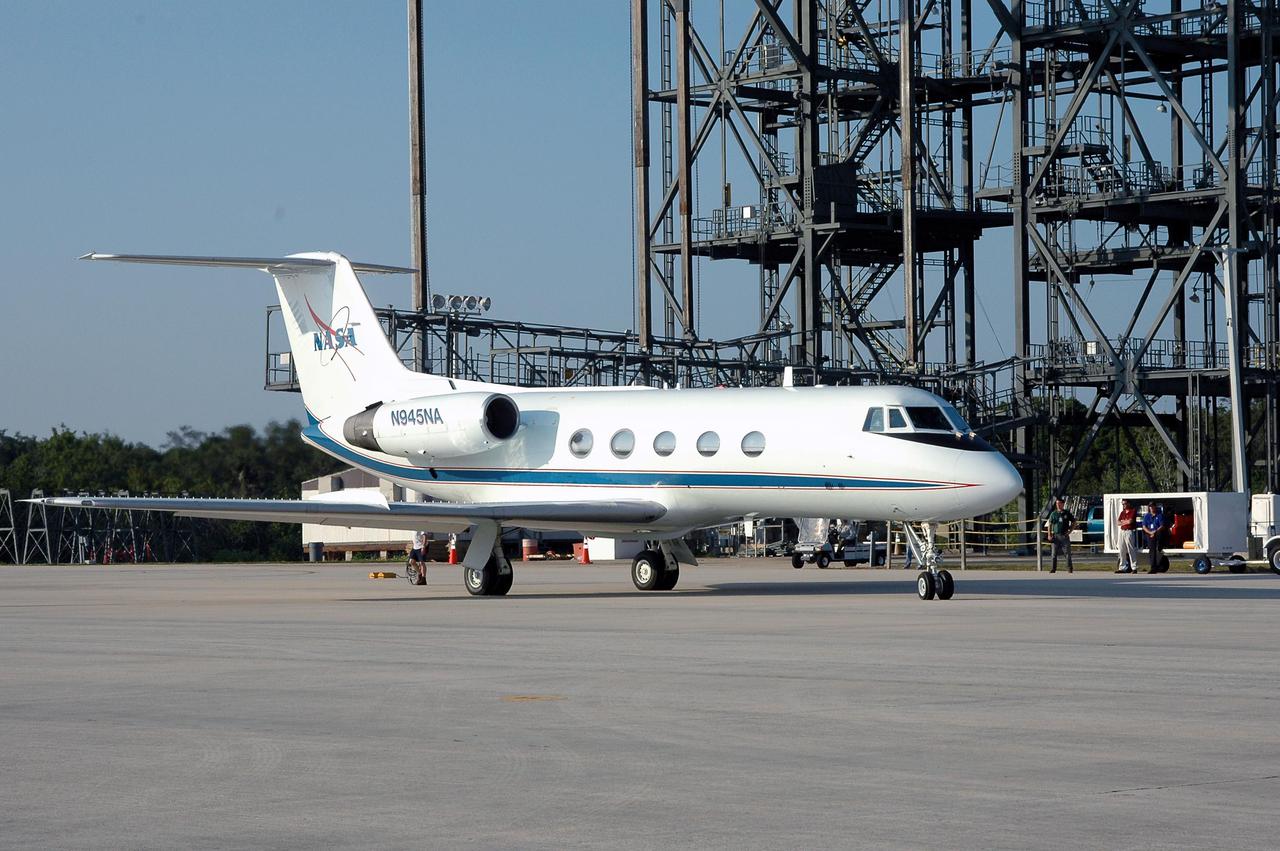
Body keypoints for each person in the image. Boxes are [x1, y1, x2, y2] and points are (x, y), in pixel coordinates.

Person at [1046, 497, 1075, 574]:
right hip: (1055, 536)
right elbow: (1050, 524)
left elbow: (1074, 522)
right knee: (1054, 554)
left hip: (1064, 536)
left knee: (1067, 554)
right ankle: (1053, 568)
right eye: (1057, 504)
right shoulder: (1053, 514)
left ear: (1063, 504)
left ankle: (1069, 568)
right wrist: (1049, 534)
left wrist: (1069, 532)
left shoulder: (1067, 513)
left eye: (1059, 503)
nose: (1058, 505)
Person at [1141, 503, 1168, 574]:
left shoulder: (1159, 515)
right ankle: (1153, 568)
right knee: (1152, 550)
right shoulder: (1147, 516)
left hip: (1158, 533)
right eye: (1150, 507)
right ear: (1149, 508)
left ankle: (1160, 545)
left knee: (1159, 534)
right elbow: (1144, 526)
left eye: (1153, 506)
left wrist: (1154, 532)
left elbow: (1162, 526)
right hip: (1150, 534)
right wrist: (1150, 533)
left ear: (1155, 507)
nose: (1152, 508)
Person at [1115, 499, 1139, 573]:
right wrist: (1125, 522)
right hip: (1122, 531)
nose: (1124, 505)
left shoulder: (1133, 511)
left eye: (1125, 504)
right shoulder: (1122, 512)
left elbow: (1130, 521)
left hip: (1129, 531)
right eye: (1123, 504)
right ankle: (1122, 567)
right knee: (1122, 549)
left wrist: (1124, 521)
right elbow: (1118, 522)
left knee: (1131, 549)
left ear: (1128, 504)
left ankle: (1134, 567)